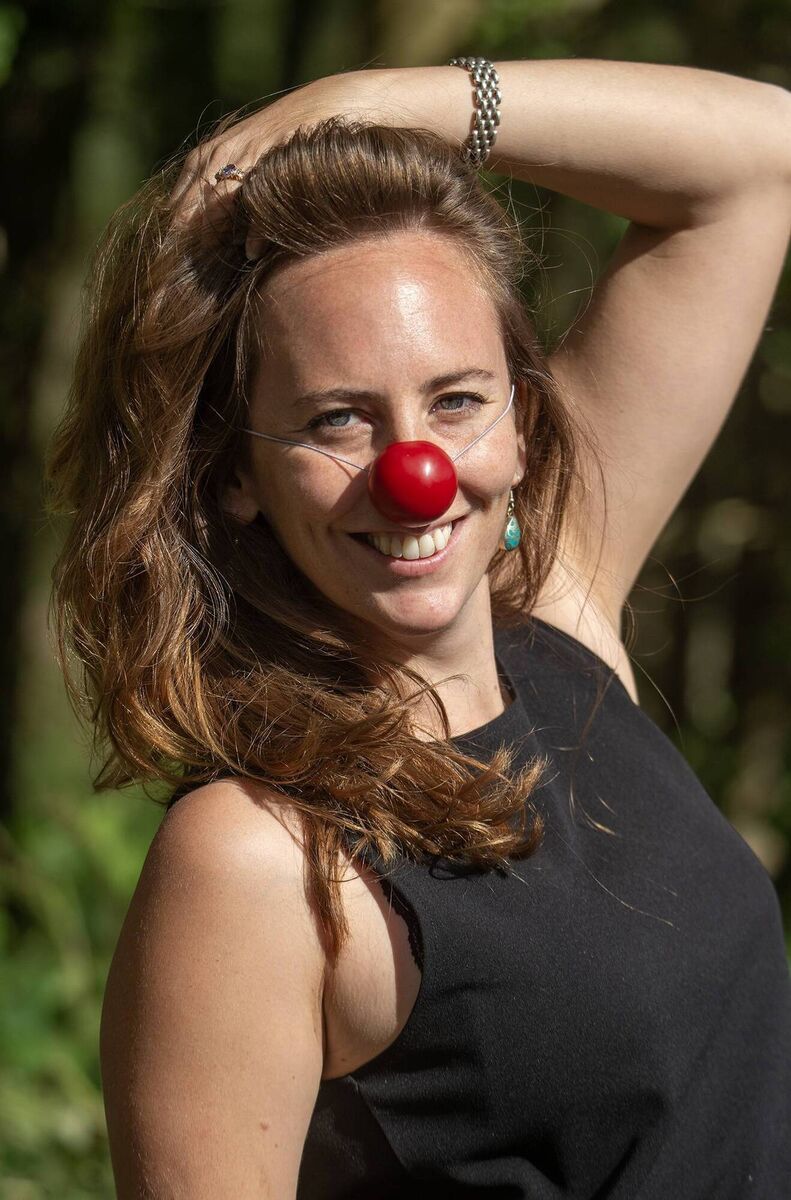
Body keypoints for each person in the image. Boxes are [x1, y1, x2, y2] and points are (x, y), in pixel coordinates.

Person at [44, 57, 791, 1199]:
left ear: (521, 425)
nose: (417, 473)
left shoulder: (561, 623)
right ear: (236, 473)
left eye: (454, 401)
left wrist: (382, 106)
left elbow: (756, 160)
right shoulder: (260, 856)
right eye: (336, 420)